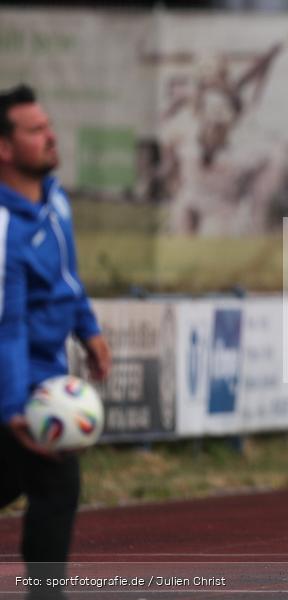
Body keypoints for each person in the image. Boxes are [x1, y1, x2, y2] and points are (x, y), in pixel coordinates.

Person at [0, 85, 111, 599]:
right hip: (13, 382)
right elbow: (7, 324)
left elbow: (67, 280)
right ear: (5, 148)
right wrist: (12, 408)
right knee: (55, 479)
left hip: (41, 376)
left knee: (36, 480)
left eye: (48, 126)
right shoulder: (4, 225)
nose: (51, 137)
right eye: (35, 130)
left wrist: (89, 329)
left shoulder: (55, 198)